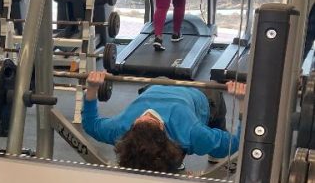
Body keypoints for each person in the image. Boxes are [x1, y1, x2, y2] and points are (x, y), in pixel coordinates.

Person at [83, 71, 246, 172]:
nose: (147, 114)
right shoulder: (191, 134)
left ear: (130, 130)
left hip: (157, 85)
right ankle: (213, 148)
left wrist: (92, 88)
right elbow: (235, 143)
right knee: (216, 89)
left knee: (158, 77)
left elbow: (91, 124)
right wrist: (242, 101)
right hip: (200, 95)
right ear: (162, 128)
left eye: (140, 119)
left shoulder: (120, 129)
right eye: (151, 120)